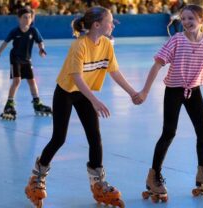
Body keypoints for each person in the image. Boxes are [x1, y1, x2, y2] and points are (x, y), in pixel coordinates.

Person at [24, 6, 140, 208]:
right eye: (110, 21)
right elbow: (76, 78)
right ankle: (37, 177)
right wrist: (95, 101)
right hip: (66, 92)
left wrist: (132, 93)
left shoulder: (106, 44)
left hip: (84, 93)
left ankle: (98, 183)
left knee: (95, 138)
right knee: (59, 138)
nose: (113, 25)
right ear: (97, 25)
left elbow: (115, 72)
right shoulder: (80, 46)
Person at [137, 4, 203, 202]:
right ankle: (153, 177)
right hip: (174, 91)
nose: (186, 23)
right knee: (169, 132)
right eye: (183, 19)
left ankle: (202, 173)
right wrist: (144, 91)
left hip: (194, 91)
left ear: (201, 20)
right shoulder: (177, 40)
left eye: (190, 19)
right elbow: (158, 64)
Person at [0, 7, 52, 120]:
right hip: (15, 59)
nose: (27, 19)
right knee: (17, 80)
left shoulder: (33, 31)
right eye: (24, 17)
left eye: (29, 17)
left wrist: (41, 49)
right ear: (19, 19)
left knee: (32, 81)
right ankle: (9, 103)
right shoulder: (15, 31)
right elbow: (5, 43)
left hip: (27, 60)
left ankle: (37, 102)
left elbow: (40, 41)